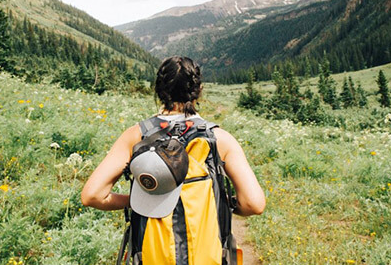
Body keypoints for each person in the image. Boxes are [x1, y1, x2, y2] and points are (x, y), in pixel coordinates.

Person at [81, 56, 265, 264]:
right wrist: (223, 202)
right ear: (198, 90)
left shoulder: (136, 136)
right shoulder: (220, 139)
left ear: (159, 90)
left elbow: (92, 195)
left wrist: (137, 201)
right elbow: (254, 204)